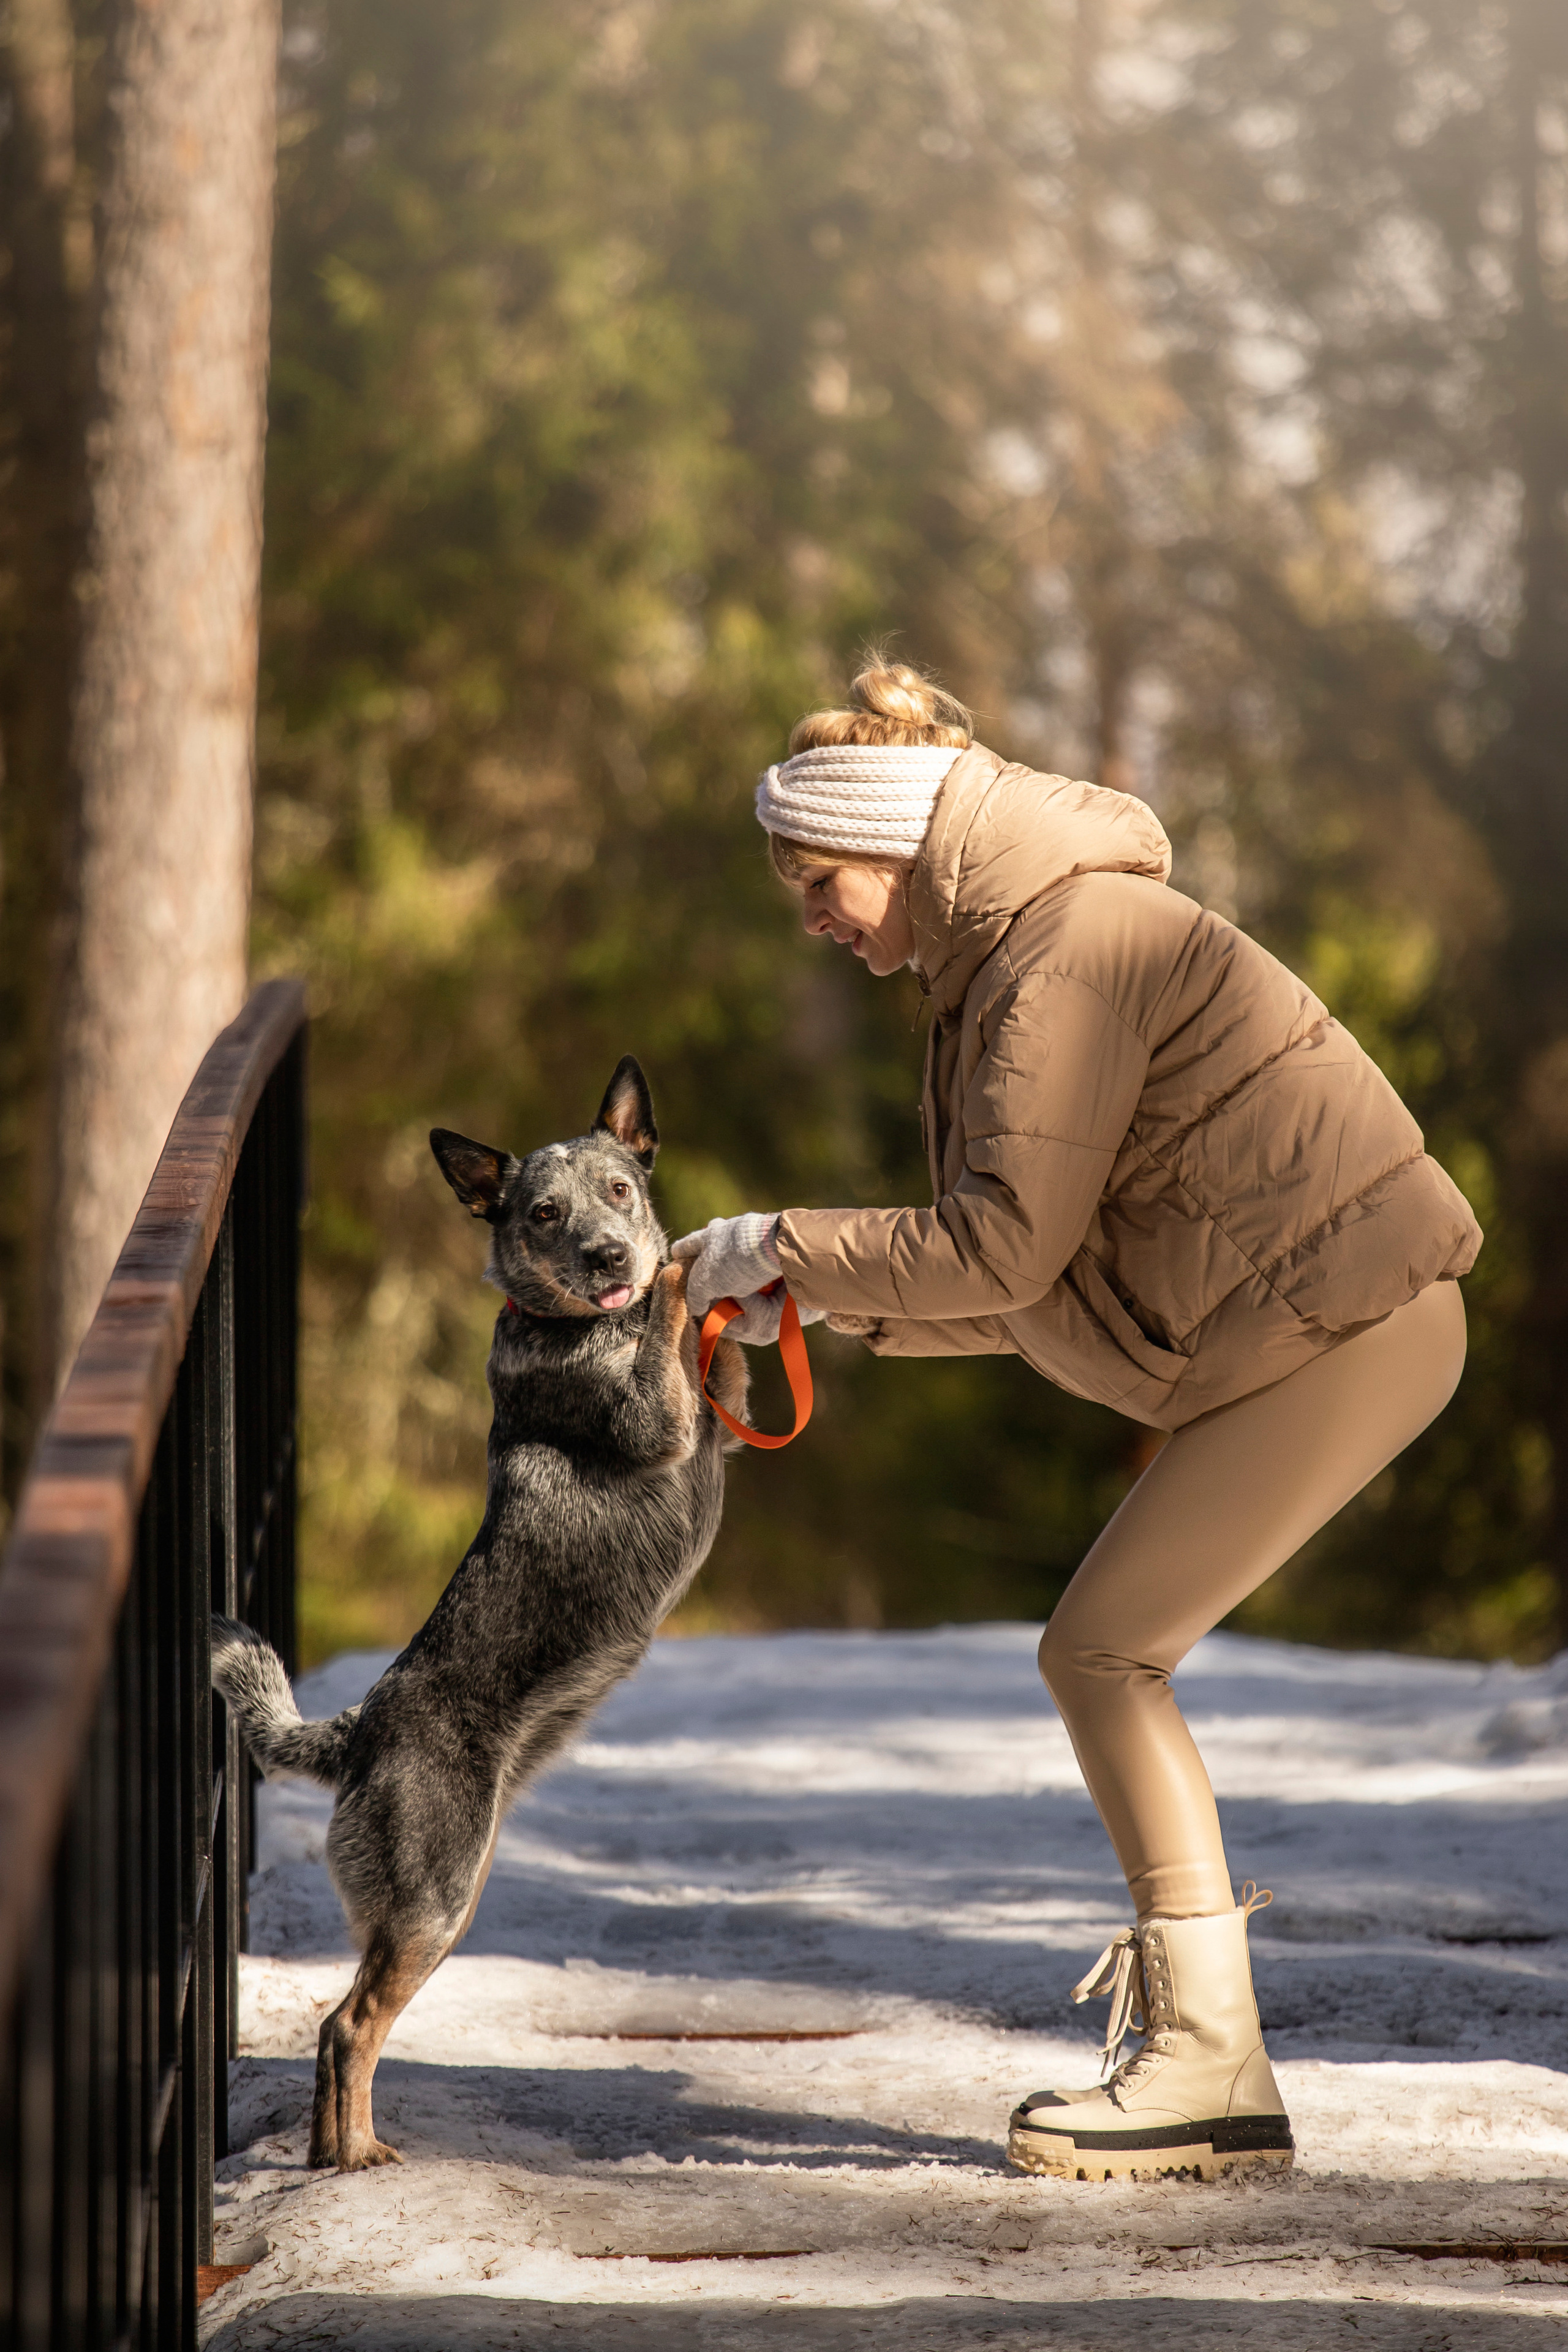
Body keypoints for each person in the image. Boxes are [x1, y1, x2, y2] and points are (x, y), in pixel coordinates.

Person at [673, 654, 1481, 2181]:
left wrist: (778, 1241)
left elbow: (1001, 1249)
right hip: (1310, 1328)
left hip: (1352, 1325)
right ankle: (1206, 2061)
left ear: (903, 850)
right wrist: (824, 1298)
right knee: (1101, 1651)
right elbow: (1030, 1281)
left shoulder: (1068, 954)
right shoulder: (1008, 965)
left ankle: (1205, 2066)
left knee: (1102, 1650)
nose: (814, 921)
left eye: (821, 883)